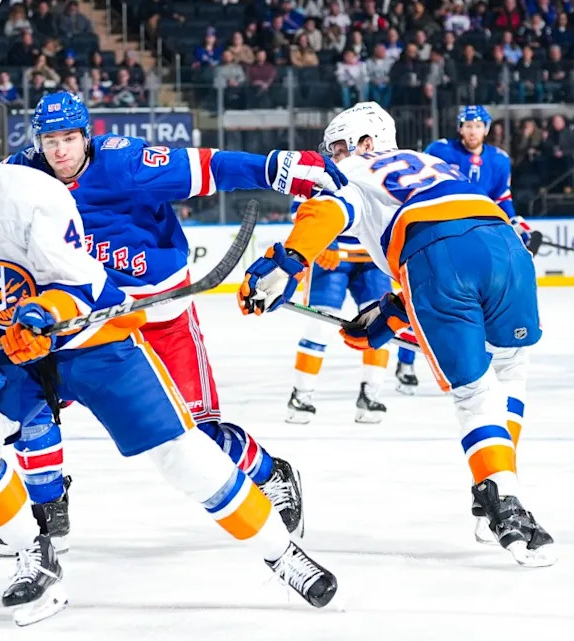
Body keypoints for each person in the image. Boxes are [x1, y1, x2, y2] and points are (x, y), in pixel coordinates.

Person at [0, 98, 337, 624]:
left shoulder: (31, 193)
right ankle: (38, 554)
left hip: (93, 339)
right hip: (17, 349)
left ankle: (281, 553)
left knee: (184, 453)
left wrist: (43, 314)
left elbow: (89, 286)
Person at [237, 102, 555, 568]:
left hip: (435, 258)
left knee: (473, 392)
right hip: (503, 247)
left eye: (340, 146)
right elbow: (446, 222)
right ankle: (499, 489)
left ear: (366, 143)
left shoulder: (352, 172)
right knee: (511, 368)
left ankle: (503, 503)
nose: (333, 156)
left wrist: (288, 261)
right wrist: (390, 315)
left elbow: (330, 211)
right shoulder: (433, 161)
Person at [403, 105, 531, 397]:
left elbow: (502, 198)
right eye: (467, 125)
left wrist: (517, 222)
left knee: (479, 298)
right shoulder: (441, 150)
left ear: (487, 129)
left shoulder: (499, 160)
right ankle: (406, 362)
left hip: (481, 236)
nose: (472, 131)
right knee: (421, 298)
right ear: (459, 128)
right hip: (442, 233)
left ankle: (480, 359)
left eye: (478, 125)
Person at [284, 229, 393, 425]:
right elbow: (305, 203)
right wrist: (325, 240)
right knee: (320, 327)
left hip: (376, 257)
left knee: (381, 326)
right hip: (332, 257)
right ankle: (301, 395)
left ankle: (371, 394)